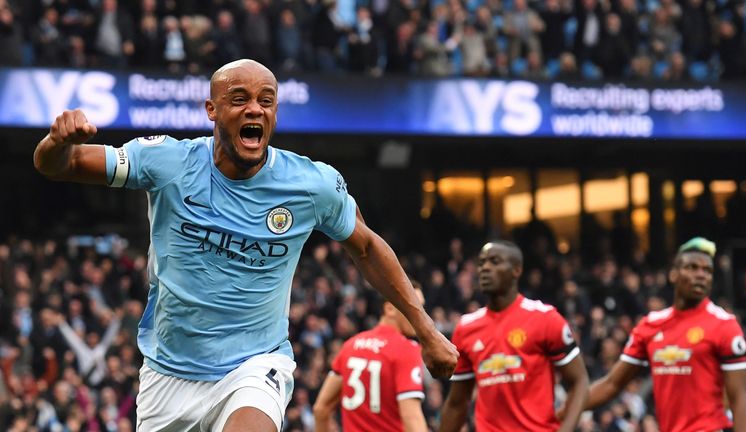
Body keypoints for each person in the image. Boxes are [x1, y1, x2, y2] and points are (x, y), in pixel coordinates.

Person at [32, 59, 457, 432]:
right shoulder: (167, 163)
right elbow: (61, 165)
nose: (255, 108)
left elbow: (366, 247)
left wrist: (427, 331)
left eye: (266, 100)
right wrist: (57, 142)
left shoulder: (311, 185)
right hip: (168, 373)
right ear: (212, 110)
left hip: (254, 365)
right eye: (239, 99)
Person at [584, 237, 746, 432]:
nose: (701, 275)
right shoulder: (651, 325)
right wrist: (562, 413)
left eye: (707, 270)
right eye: (692, 267)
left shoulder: (724, 325)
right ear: (673, 275)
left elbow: (739, 399)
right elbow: (612, 384)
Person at [439, 240, 589, 431]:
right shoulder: (465, 328)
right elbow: (456, 403)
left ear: (516, 270)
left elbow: (580, 381)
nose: (485, 268)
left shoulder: (545, 318)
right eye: (482, 262)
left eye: (494, 261)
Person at [312, 282, 428, 432]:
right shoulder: (406, 349)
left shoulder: (350, 346)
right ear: (390, 309)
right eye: (414, 306)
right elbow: (412, 419)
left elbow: (321, 409)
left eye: (422, 307)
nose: (422, 315)